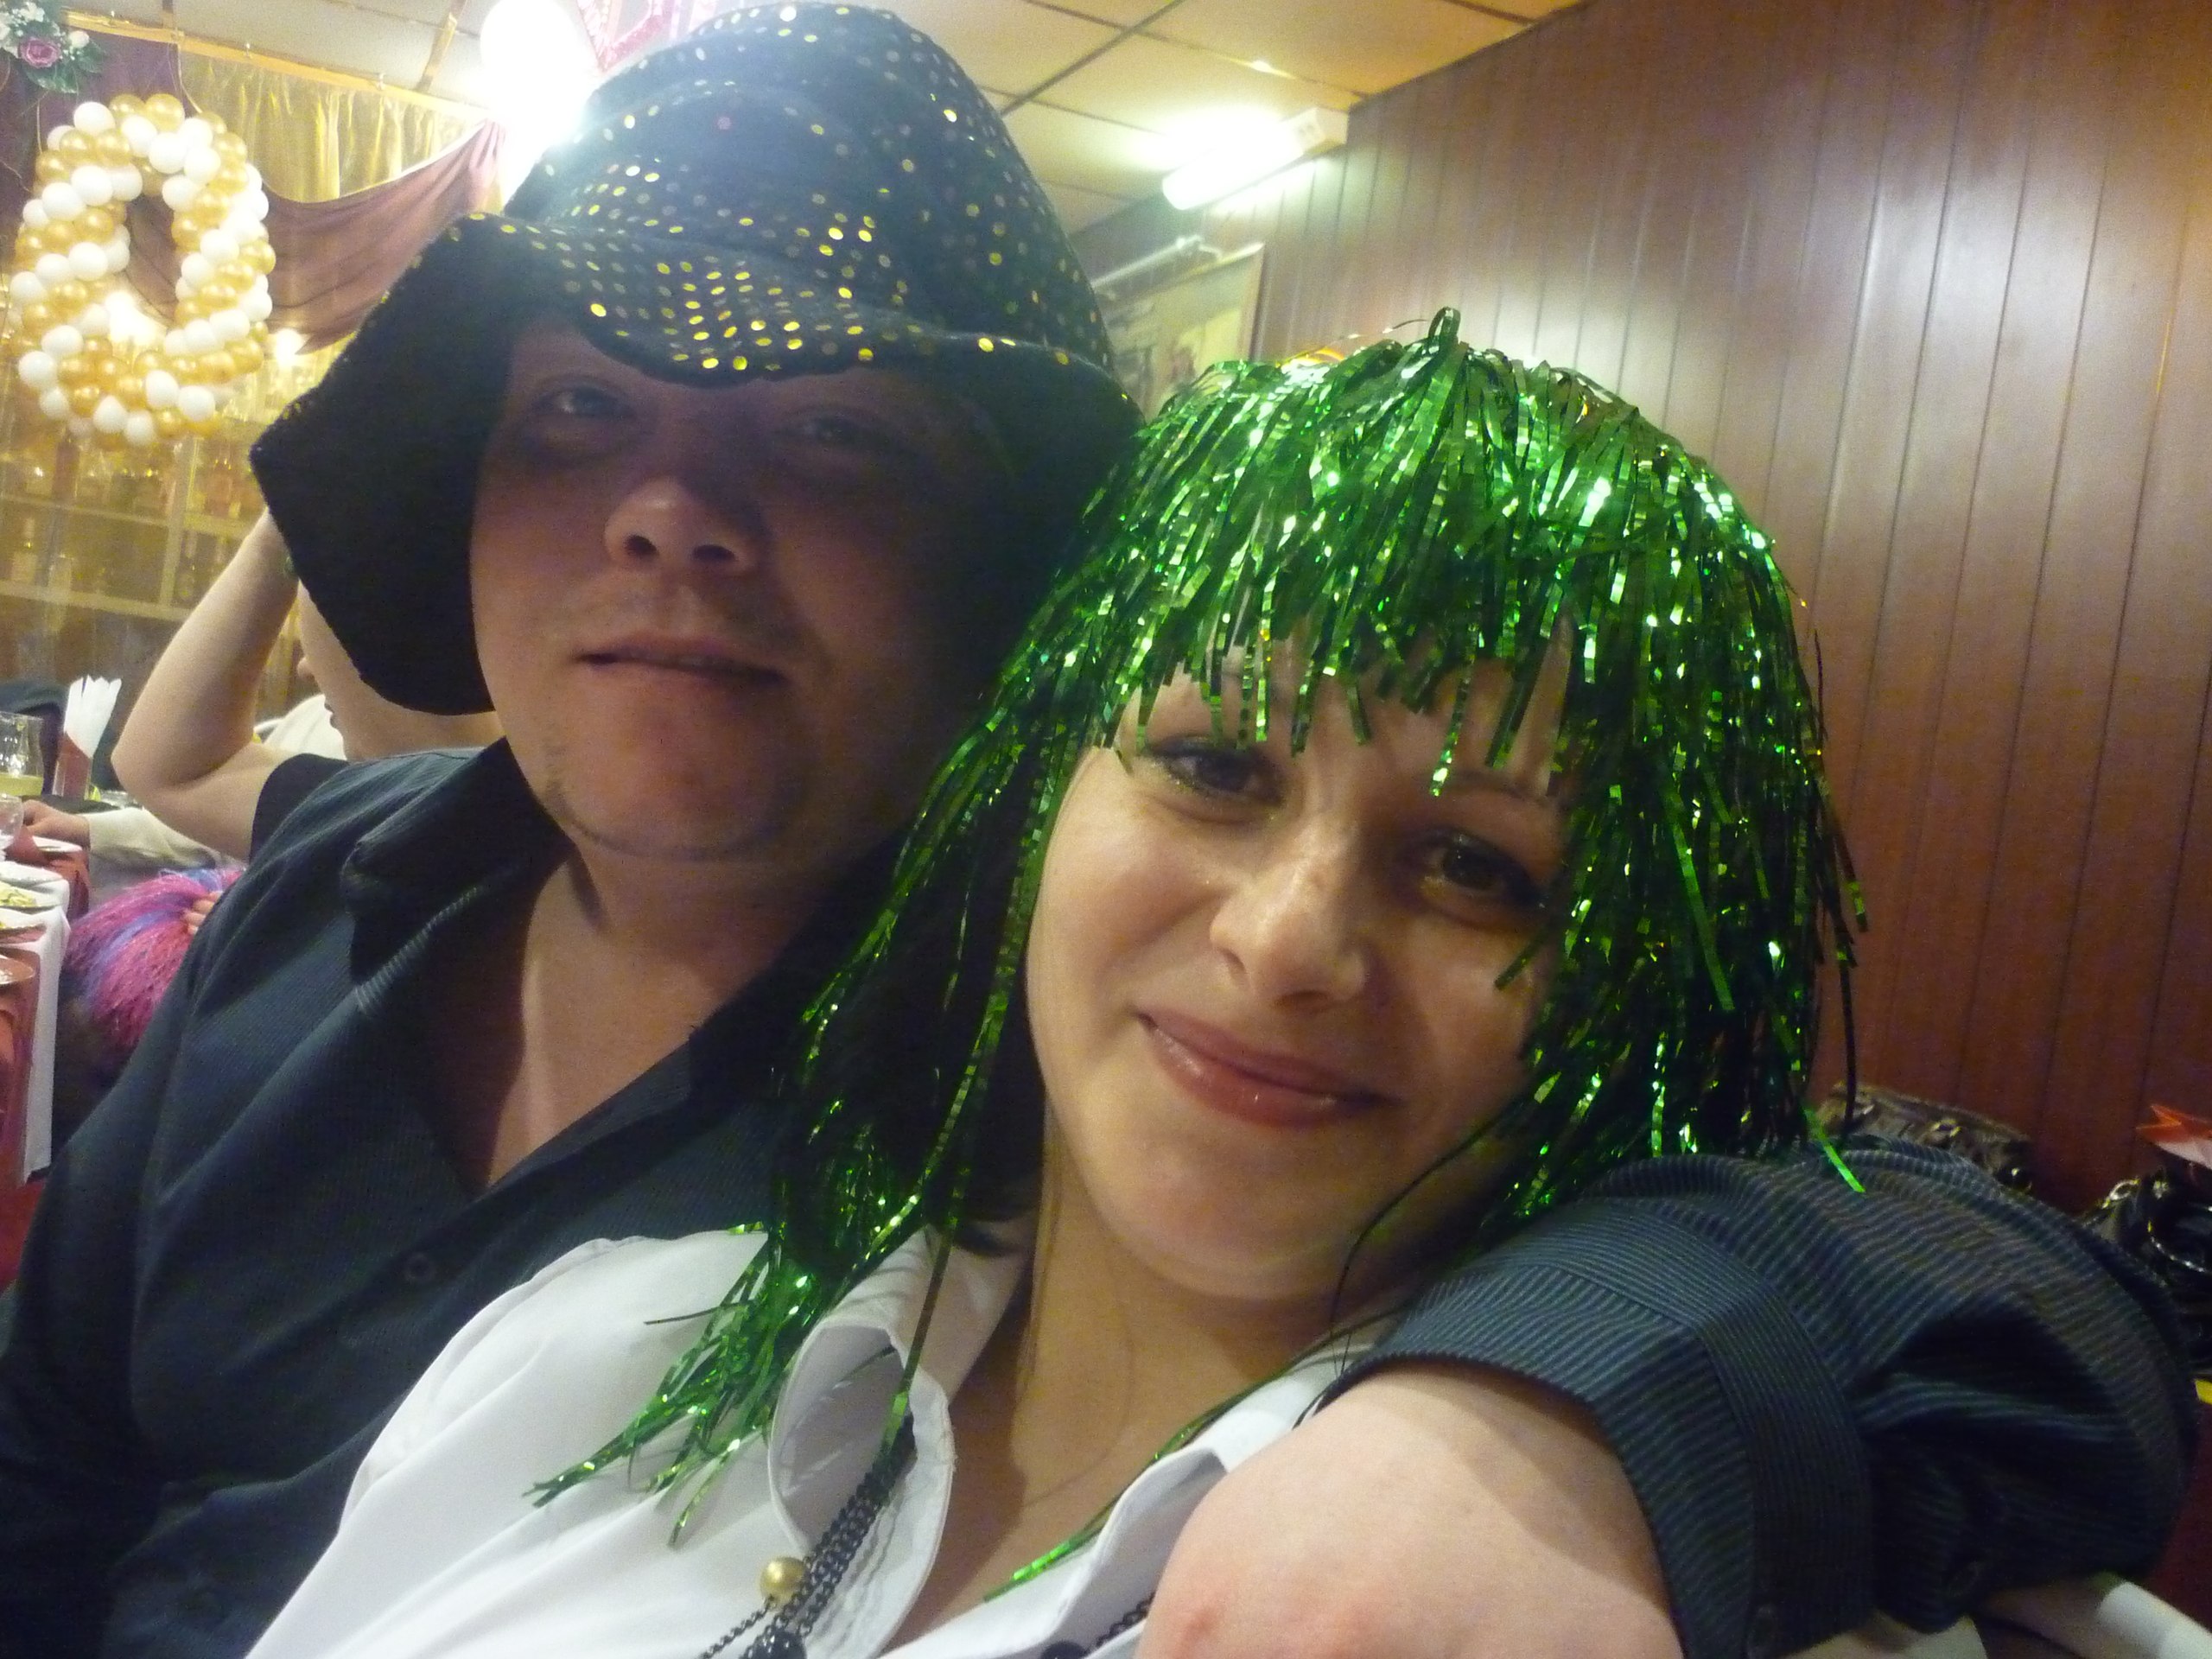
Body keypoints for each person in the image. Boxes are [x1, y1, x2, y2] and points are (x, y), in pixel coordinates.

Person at [0, 11, 2185, 1659]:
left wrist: (1564, 1409)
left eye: (829, 428)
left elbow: (1961, 1262)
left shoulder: (1066, 1051)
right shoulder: (335, 888)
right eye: (578, 407)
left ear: (1013, 610)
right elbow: (49, 1461)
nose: (667, 506)